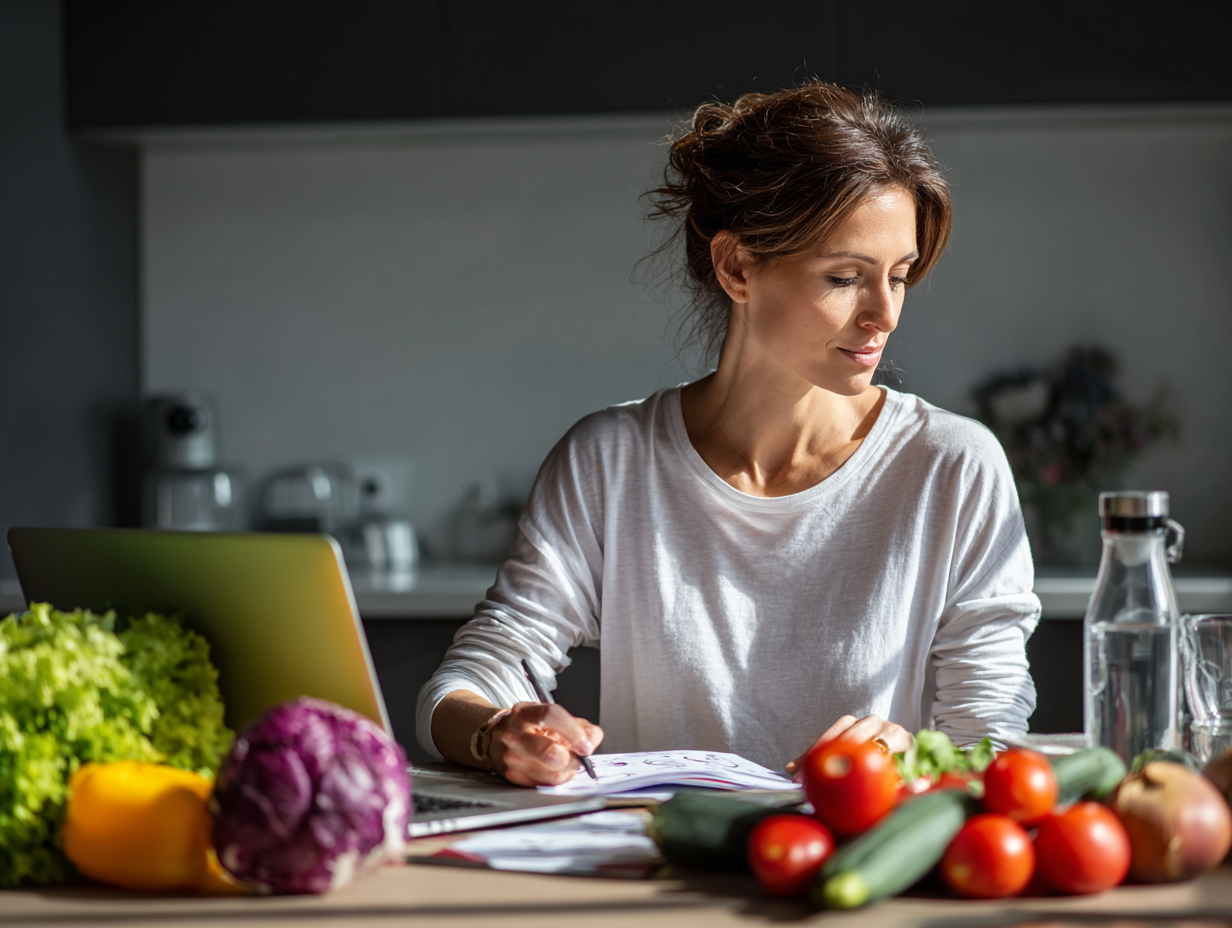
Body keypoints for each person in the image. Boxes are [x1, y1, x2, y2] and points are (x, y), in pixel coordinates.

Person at [416, 82, 1040, 787]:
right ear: (737, 266)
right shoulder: (610, 462)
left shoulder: (952, 466)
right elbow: (463, 687)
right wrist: (500, 731)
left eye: (899, 277)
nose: (885, 315)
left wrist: (917, 757)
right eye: (845, 277)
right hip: (662, 877)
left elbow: (992, 739)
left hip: (853, 884)